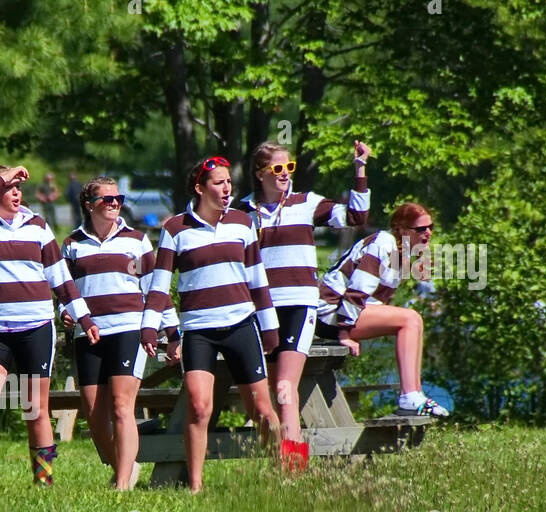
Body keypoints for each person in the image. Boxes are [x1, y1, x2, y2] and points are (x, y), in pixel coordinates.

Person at [0, 164, 99, 484]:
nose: (17, 192)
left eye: (19, 187)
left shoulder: (36, 225)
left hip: (36, 327)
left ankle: (43, 480)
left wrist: (83, 317)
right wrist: (1, 178)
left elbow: (60, 279)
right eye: (9, 188)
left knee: (36, 408)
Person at [146, 155, 282, 493]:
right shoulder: (175, 229)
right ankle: (195, 487)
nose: (227, 189)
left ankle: (287, 472)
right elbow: (159, 286)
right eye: (219, 183)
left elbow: (258, 280)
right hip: (198, 331)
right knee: (199, 406)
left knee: (263, 409)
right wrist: (155, 329)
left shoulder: (243, 222)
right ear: (200, 188)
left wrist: (270, 328)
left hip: (241, 324)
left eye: (228, 182)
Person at [237, 140, 371, 471]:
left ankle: (292, 471)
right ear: (260, 173)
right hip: (259, 310)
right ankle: (276, 461)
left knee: (285, 388)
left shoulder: (306, 203)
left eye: (290, 168)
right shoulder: (241, 212)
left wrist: (360, 169)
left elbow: (356, 215)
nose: (285, 175)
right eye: (278, 169)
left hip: (299, 305)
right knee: (261, 397)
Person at [62, 176, 169, 490]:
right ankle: (125, 465)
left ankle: (122, 484)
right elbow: (63, 290)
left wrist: (166, 330)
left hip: (128, 329)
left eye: (118, 198)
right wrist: (65, 314)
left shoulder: (136, 239)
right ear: (89, 204)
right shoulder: (71, 244)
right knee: (94, 414)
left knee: (122, 406)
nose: (114, 203)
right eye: (106, 199)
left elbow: (156, 289)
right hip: (89, 333)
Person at [317, 202, 451, 417]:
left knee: (414, 322)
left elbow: (376, 302)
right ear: (401, 230)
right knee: (410, 319)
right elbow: (357, 291)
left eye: (430, 227)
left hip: (345, 313)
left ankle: (415, 393)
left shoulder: (402, 256)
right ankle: (409, 396)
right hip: (330, 312)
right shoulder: (383, 243)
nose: (427, 233)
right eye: (420, 229)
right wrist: (344, 333)